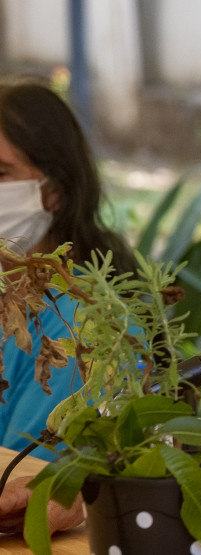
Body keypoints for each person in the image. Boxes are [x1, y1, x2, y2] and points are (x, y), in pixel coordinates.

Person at [0, 79, 134, 533]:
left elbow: (21, 486)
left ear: (53, 192)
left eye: (0, 173)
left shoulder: (82, 323)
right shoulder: (8, 297)